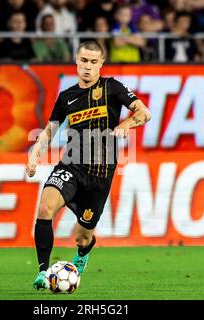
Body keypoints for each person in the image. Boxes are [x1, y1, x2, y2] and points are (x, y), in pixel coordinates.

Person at [27, 40, 152, 290]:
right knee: (44, 208)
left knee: (82, 236)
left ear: (101, 64)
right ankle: (42, 272)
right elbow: (49, 132)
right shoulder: (67, 97)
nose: (88, 66)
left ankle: (82, 256)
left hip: (100, 175)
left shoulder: (112, 88)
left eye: (93, 62)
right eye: (84, 60)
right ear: (76, 61)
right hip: (71, 166)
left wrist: (125, 125)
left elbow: (144, 113)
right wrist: (34, 154)